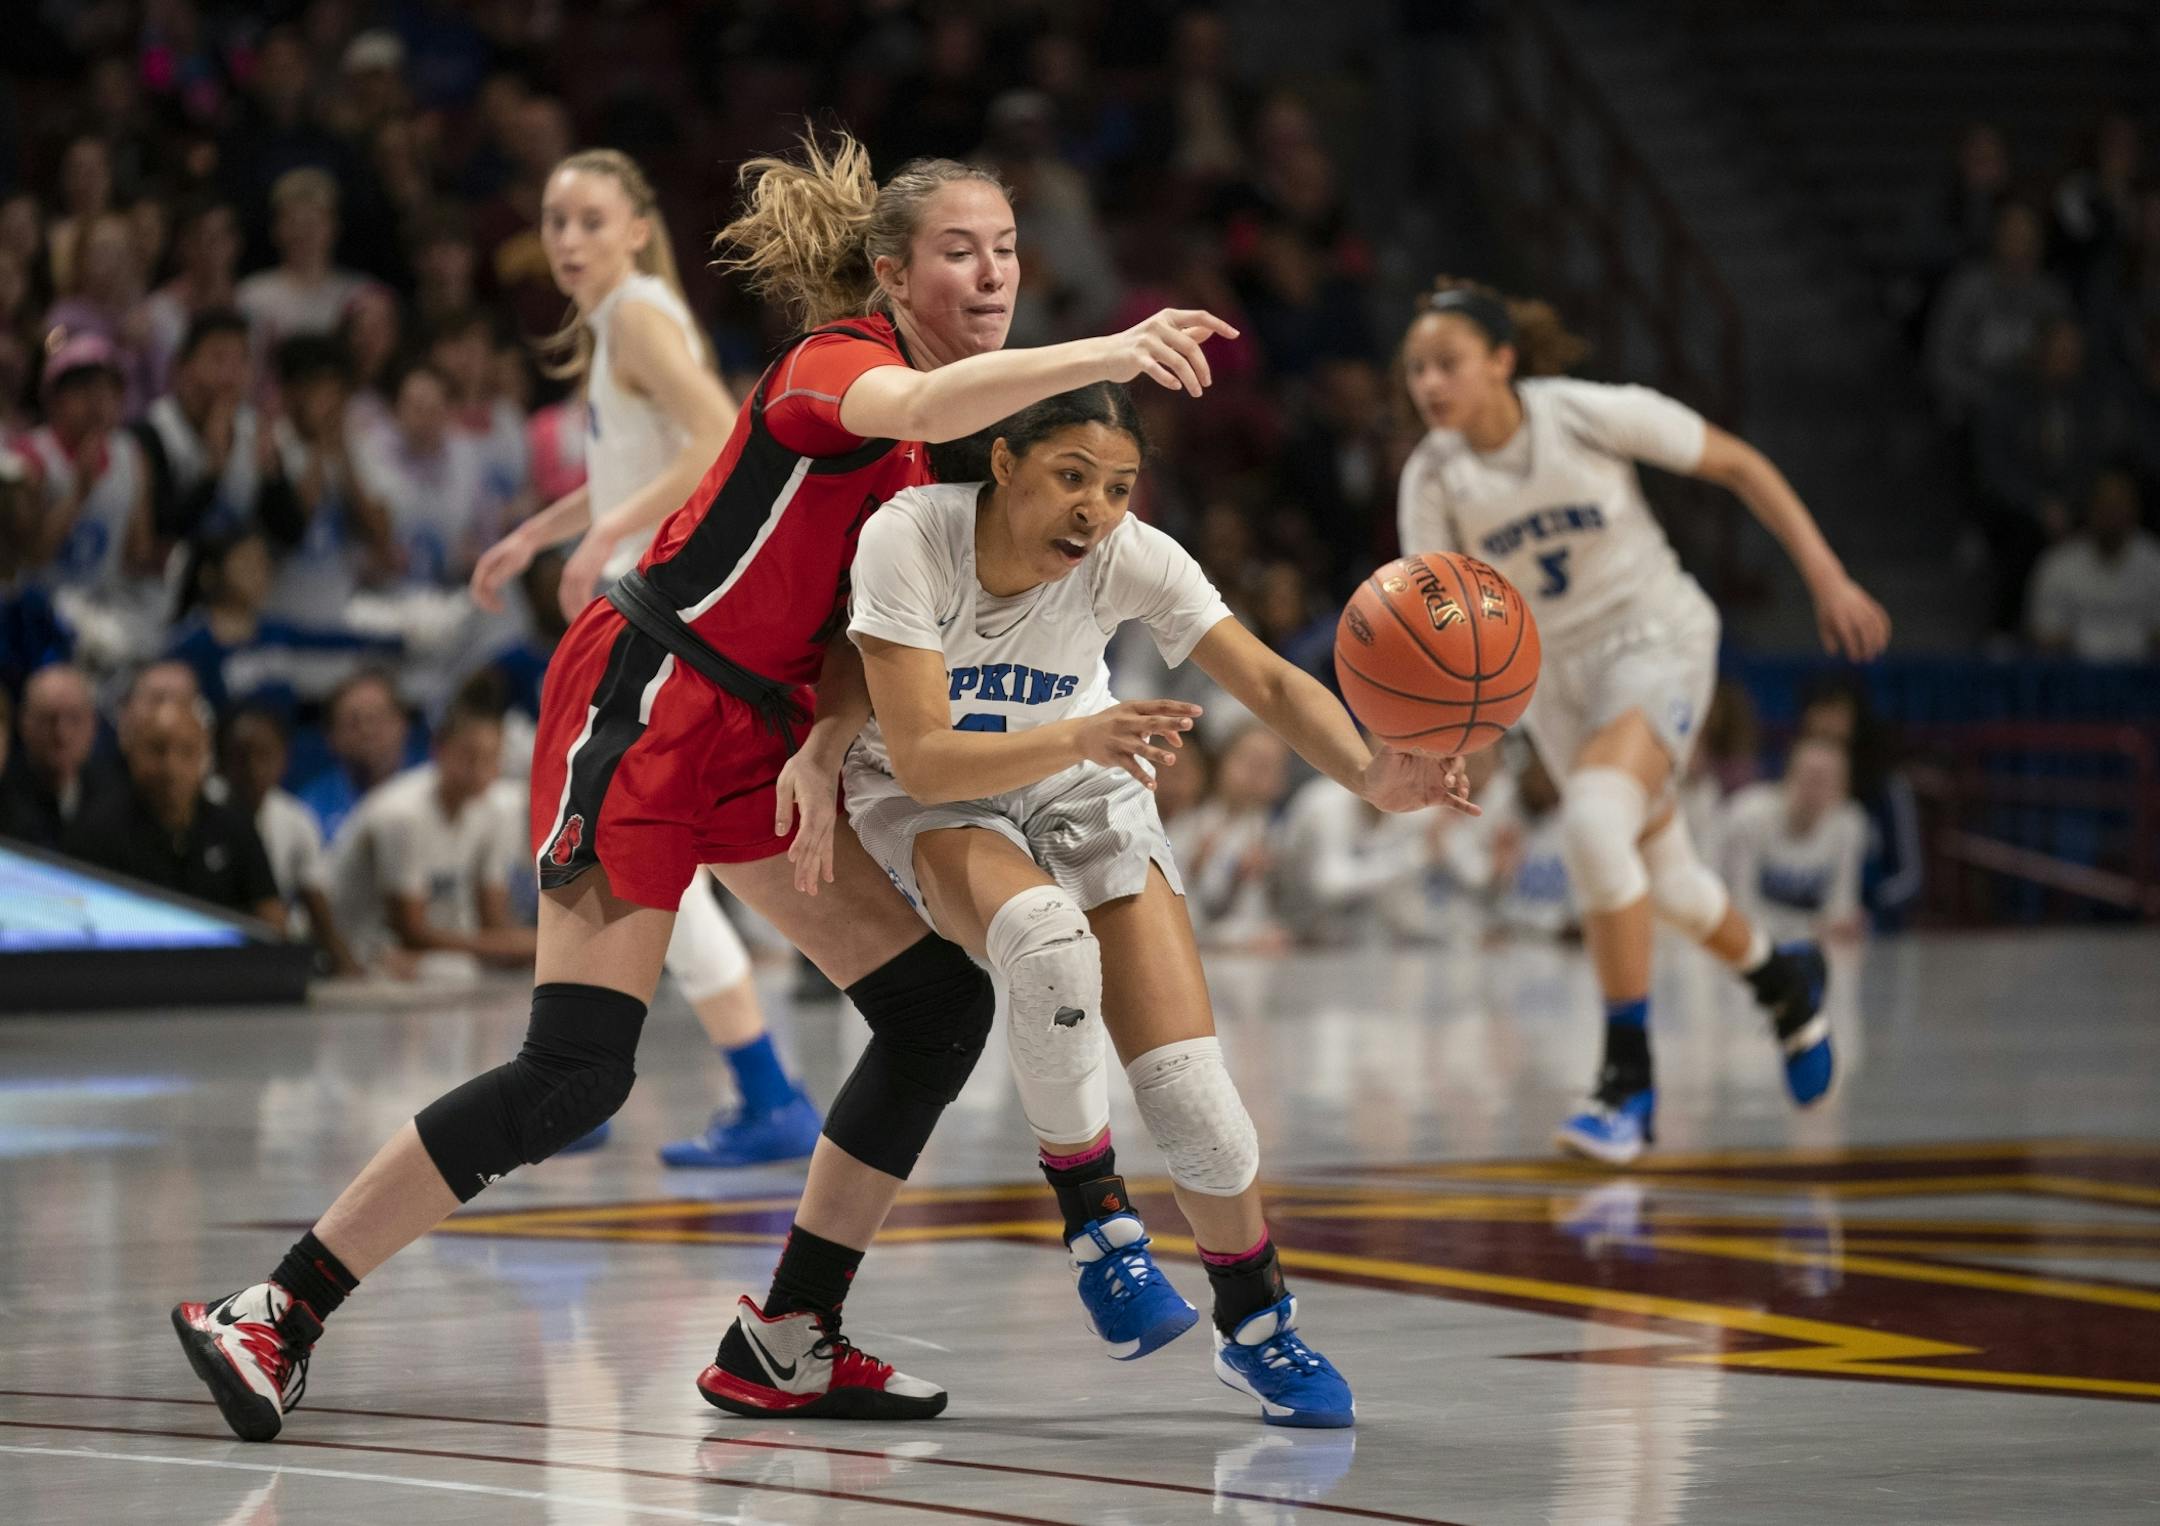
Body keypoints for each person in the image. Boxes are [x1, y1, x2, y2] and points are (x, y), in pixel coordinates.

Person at [172, 127, 1243, 1441]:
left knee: (931, 1004)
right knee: (575, 1069)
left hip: (758, 737)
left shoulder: (927, 477)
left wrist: (824, 734)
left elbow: (868, 637)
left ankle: (787, 1334)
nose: (992, 273)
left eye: (1008, 251)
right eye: (958, 251)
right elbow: (921, 405)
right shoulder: (836, 368)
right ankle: (276, 1308)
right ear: (892, 274)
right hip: (651, 698)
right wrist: (1110, 346)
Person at [845, 384, 1472, 1427]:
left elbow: (1269, 683)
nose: (1096, 509)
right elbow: (922, 752)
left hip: (1076, 771)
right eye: (1071, 477)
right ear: (1003, 463)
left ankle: (1259, 1323)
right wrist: (1083, 736)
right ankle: (1101, 1233)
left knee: (1197, 1101)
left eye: (1119, 486)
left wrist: (1370, 773)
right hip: (928, 790)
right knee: (1045, 944)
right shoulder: (911, 536)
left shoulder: (1132, 553)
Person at [1395, 277, 1891, 1164]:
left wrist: (1827, 576)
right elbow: (1444, 628)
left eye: (1447, 363)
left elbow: (1739, 463)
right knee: (1667, 884)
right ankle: (1785, 984)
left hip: (1652, 636)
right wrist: (1444, 738)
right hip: (1549, 678)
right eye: (1416, 369)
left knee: (1591, 818)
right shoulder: (1430, 477)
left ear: (1502, 361)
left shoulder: (1584, 414)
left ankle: (1627, 1084)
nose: (1429, 383)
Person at [466, 149, 816, 1167]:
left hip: (654, 628)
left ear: (635, 225)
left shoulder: (639, 314)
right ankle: (668, 1081)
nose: (566, 239)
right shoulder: (626, 316)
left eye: (587, 220)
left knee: (613, 855)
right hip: (647, 619)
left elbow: (718, 440)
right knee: (639, 860)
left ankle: (655, 1081)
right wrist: (541, 532)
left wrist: (598, 535)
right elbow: (641, 458)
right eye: (553, 220)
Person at [325, 696, 532, 975]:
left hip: (435, 960)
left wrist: (526, 946)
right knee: (450, 970)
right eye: (470, 756)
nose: (481, 769)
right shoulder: (402, 815)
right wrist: (528, 945)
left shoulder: (489, 809)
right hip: (361, 960)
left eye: (492, 758)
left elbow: (492, 919)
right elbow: (411, 933)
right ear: (439, 750)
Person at [65, 697, 282, 923]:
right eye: (157, 750)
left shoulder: (235, 828)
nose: (171, 768)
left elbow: (272, 922)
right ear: (132, 753)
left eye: (186, 751)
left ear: (204, 758)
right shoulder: (95, 831)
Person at [222, 702, 360, 974]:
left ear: (284, 758)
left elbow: (318, 910)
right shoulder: (205, 811)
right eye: (241, 756)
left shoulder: (297, 821)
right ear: (222, 759)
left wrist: (350, 972)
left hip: (272, 949)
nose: (253, 768)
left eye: (264, 755)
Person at [1720, 735, 1867, 947]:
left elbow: (1841, 912)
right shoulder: (1748, 815)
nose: (1814, 790)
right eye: (1809, 777)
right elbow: (1741, 908)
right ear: (1788, 776)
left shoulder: (1850, 824)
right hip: (1752, 945)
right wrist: (1811, 927)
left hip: (1817, 949)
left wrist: (1829, 925)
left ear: (1841, 788)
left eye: (1825, 780)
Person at [2026, 467, 2160, 661]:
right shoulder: (2058, 565)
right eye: (2106, 506)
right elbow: (2043, 635)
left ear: (2135, 510)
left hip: (2144, 683)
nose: (2113, 516)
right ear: (2091, 509)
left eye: (2120, 506)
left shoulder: (2154, 563)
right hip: (2074, 681)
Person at [296, 668, 412, 839]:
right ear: (331, 737)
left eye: (377, 718)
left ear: (403, 725)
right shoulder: (308, 811)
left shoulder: (437, 792)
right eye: (353, 722)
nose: (367, 731)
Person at [0, 662, 104, 848]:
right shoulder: (5, 797)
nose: (61, 734)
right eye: (49, 719)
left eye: (74, 718)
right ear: (24, 723)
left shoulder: (113, 801)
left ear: (92, 725)